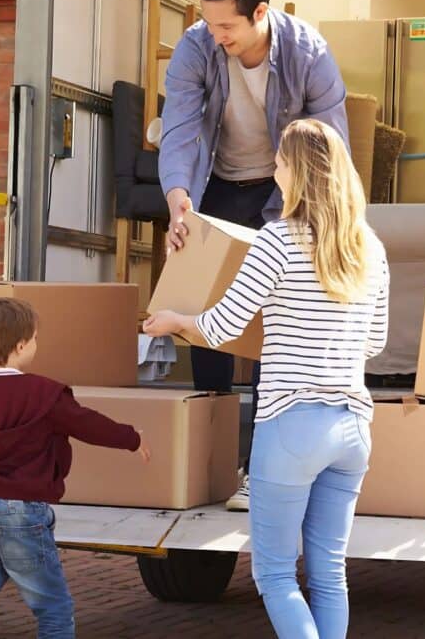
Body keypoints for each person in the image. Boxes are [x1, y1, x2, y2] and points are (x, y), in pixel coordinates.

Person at [145, 119, 389, 639]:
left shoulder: (277, 240)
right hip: (353, 428)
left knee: (275, 574)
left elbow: (222, 325)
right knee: (328, 574)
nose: (273, 169)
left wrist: (173, 321)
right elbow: (376, 342)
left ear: (297, 173)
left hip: (291, 425)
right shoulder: (370, 247)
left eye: (279, 161)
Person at [159, 0, 349, 510]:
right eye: (208, 22)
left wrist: (303, 219)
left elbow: (328, 146)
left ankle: (261, 470)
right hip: (213, 186)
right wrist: (178, 201)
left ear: (260, 13)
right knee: (206, 312)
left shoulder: (308, 54)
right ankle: (212, 462)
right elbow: (180, 129)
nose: (214, 35)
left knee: (275, 322)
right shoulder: (197, 47)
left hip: (284, 191)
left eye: (226, 27)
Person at [0, 297, 152, 639]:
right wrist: (132, 438)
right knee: (52, 608)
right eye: (35, 338)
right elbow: (87, 424)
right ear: (20, 345)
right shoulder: (44, 393)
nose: (36, 345)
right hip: (22, 512)